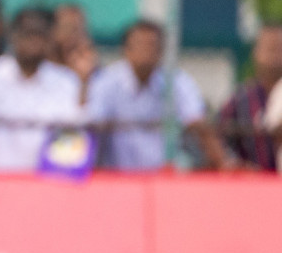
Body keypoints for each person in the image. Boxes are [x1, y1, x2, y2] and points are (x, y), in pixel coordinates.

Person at [85, 19, 229, 171]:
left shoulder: (177, 82)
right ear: (126, 50)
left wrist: (223, 164)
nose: (147, 52)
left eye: (152, 46)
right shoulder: (106, 83)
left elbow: (198, 122)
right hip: (117, 180)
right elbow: (92, 126)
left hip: (163, 181)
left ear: (161, 51)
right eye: (141, 45)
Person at [0, 7, 86, 172]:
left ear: (50, 39)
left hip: (48, 184)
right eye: (28, 33)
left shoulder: (66, 81)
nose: (34, 41)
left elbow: (74, 137)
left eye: (40, 34)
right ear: (13, 35)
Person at [216, 24, 282, 172]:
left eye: (279, 49)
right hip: (252, 187)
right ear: (256, 52)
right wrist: (233, 164)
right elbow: (218, 136)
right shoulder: (242, 99)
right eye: (270, 49)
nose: (275, 56)